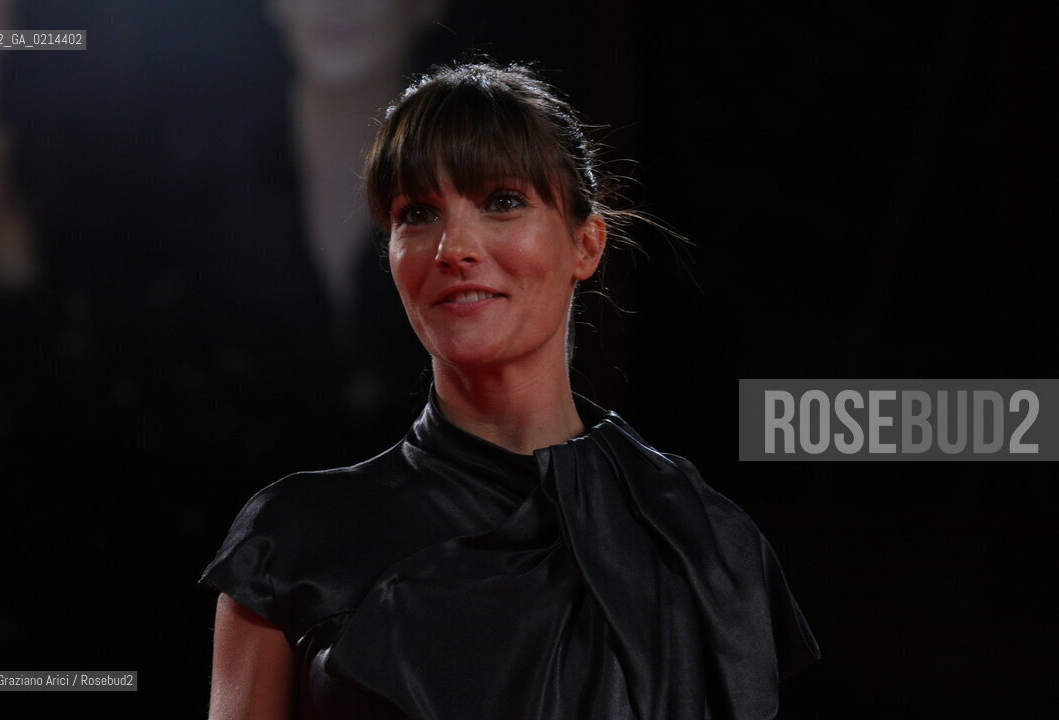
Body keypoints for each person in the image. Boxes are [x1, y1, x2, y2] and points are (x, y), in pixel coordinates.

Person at [201, 61, 819, 720]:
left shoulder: (703, 542)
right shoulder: (289, 541)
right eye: (418, 213)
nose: (453, 247)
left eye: (501, 200)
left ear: (586, 245)